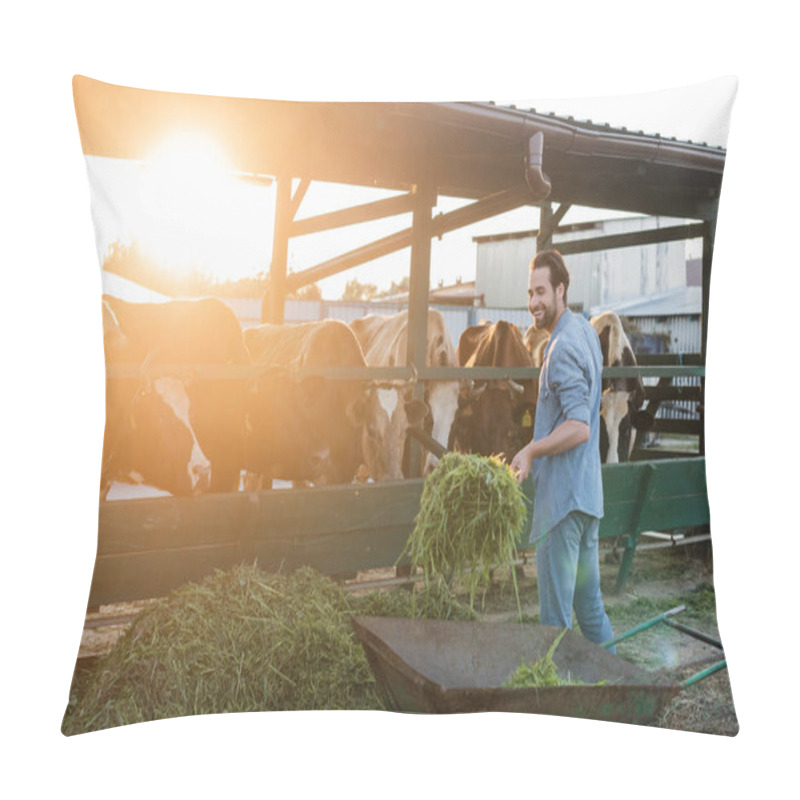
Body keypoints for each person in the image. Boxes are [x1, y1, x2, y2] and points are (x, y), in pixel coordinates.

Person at [510, 249, 615, 650]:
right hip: (587, 498)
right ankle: (618, 692)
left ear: (561, 290)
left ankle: (552, 701)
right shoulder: (585, 332)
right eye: (530, 293)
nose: (534, 302)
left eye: (541, 292)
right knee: (590, 610)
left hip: (563, 506)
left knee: (554, 621)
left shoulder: (562, 348)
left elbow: (579, 426)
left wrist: (532, 450)